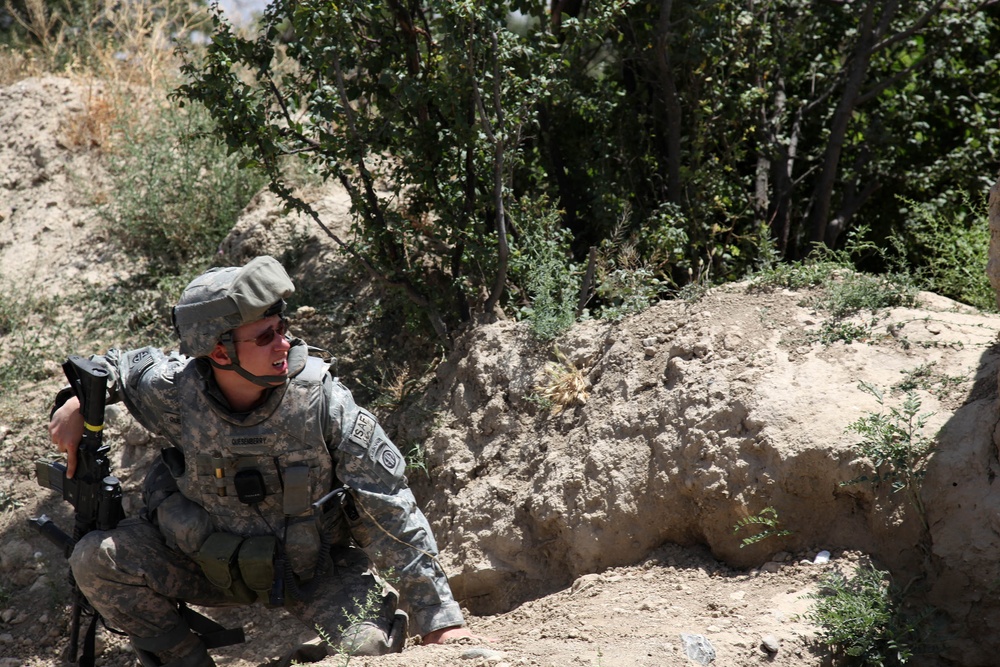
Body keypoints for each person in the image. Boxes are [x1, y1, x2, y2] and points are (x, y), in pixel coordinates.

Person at [48, 256, 473, 667]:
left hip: (314, 574)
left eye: (282, 328)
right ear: (218, 353)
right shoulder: (173, 392)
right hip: (201, 563)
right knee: (94, 559)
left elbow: (390, 509)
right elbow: (115, 366)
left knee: (366, 652)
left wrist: (440, 620)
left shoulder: (325, 404)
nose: (284, 344)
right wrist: (77, 402)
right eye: (265, 336)